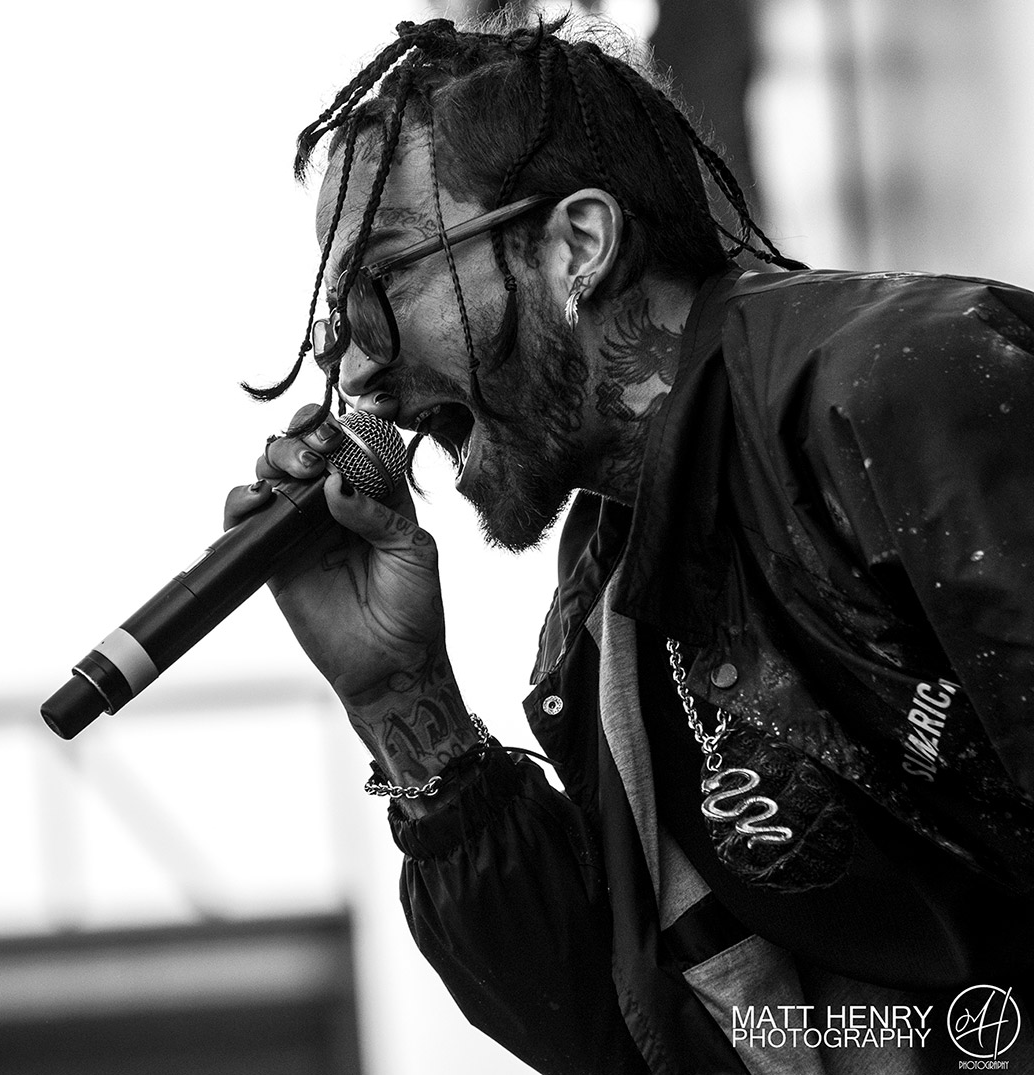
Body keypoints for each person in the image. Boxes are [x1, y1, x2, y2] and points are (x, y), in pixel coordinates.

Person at [223, 15, 1034, 1075]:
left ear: (578, 246)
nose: (360, 372)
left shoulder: (897, 395)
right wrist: (400, 697)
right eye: (340, 321)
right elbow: (627, 1043)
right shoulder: (602, 623)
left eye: (383, 284)